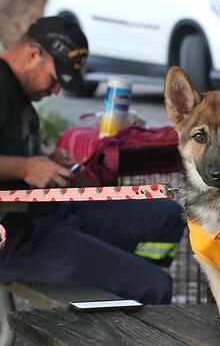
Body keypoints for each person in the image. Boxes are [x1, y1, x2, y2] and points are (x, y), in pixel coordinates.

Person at [0, 16, 185, 304]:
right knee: (155, 286)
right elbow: (19, 165)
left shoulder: (18, 90)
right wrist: (25, 167)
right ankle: (127, 298)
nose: (56, 91)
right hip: (16, 237)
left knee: (167, 215)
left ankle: (120, 285)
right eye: (54, 79)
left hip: (55, 211)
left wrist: (47, 158)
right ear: (33, 54)